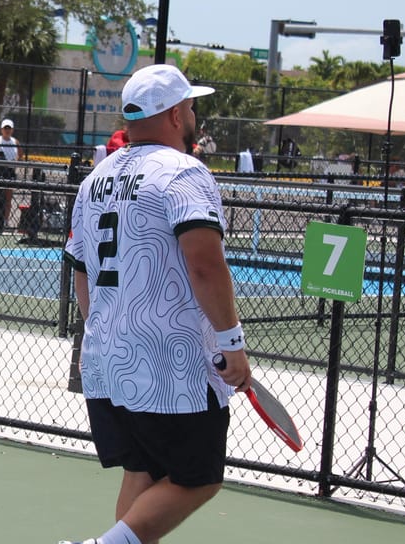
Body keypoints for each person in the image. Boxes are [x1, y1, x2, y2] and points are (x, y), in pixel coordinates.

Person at [60, 64, 251, 544]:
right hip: (171, 365)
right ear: (170, 115)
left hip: (107, 360)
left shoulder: (96, 179)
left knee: (142, 471)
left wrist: (98, 334)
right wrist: (232, 342)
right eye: (189, 106)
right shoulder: (185, 173)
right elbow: (205, 265)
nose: (193, 114)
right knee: (198, 476)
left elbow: (80, 270)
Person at [0, 118, 21, 221]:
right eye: (5, 128)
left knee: (8, 198)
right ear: (1, 129)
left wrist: (15, 161)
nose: (7, 130)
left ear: (12, 130)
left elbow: (20, 155)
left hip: (10, 172)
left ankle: (5, 221)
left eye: (9, 128)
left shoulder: (15, 142)